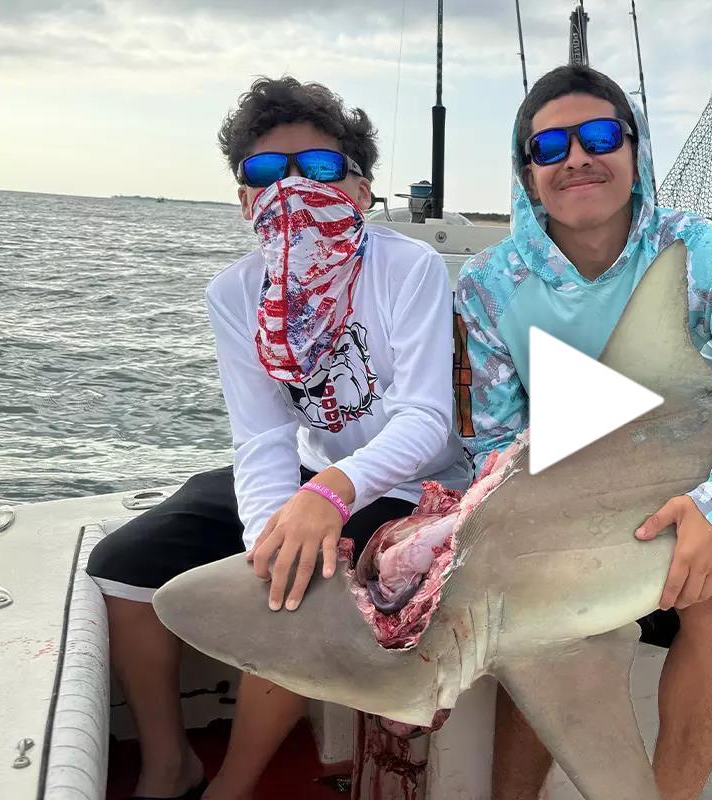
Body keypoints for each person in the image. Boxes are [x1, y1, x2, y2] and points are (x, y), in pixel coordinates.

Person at [452, 64, 712, 800]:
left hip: (693, 490)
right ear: (526, 171)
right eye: (550, 147)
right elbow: (493, 447)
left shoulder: (694, 249)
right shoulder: (487, 285)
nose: (577, 158)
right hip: (564, 500)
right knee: (528, 608)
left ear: (635, 151)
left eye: (600, 136)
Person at [86, 76, 470, 800]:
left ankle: (231, 788)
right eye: (266, 172)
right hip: (309, 475)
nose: (292, 188)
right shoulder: (235, 293)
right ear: (245, 200)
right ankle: (169, 765)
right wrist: (264, 535)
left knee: (297, 587)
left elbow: (425, 420)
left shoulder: (408, 267)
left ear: (360, 191)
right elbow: (261, 437)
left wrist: (329, 496)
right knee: (122, 567)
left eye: (318, 168)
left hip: (404, 487)